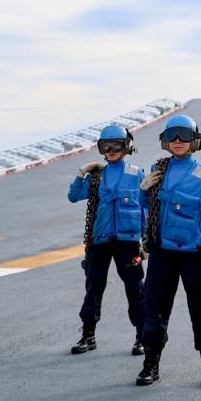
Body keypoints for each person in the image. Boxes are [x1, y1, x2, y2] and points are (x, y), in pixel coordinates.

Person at [136, 114, 201, 388]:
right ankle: (150, 365)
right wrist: (142, 191)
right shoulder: (158, 169)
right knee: (154, 308)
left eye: (184, 136)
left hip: (194, 255)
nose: (178, 141)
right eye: (172, 135)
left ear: (195, 141)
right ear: (165, 141)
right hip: (163, 254)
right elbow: (148, 208)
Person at [67, 125, 146, 356]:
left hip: (128, 241)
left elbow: (145, 208)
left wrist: (147, 241)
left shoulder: (136, 173)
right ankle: (88, 336)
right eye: (105, 146)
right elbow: (73, 197)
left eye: (116, 146)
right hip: (99, 241)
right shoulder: (96, 176)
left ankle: (141, 336)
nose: (111, 150)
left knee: (135, 289)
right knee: (93, 287)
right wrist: (82, 173)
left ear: (127, 146)